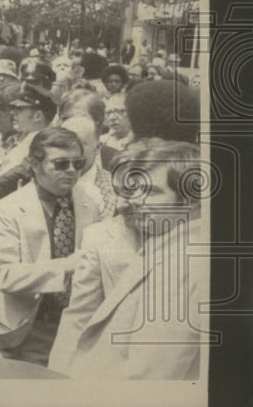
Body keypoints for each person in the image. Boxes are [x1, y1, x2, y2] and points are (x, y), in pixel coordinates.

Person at [56, 141, 205, 378]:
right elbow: (78, 319)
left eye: (152, 191)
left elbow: (154, 372)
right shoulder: (165, 245)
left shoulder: (187, 262)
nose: (133, 200)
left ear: (192, 199)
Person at [0, 127, 102, 367]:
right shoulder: (9, 209)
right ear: (36, 166)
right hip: (23, 332)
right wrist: (66, 267)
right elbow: (4, 275)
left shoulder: (89, 202)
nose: (71, 171)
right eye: (60, 164)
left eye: (78, 163)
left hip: (72, 330)